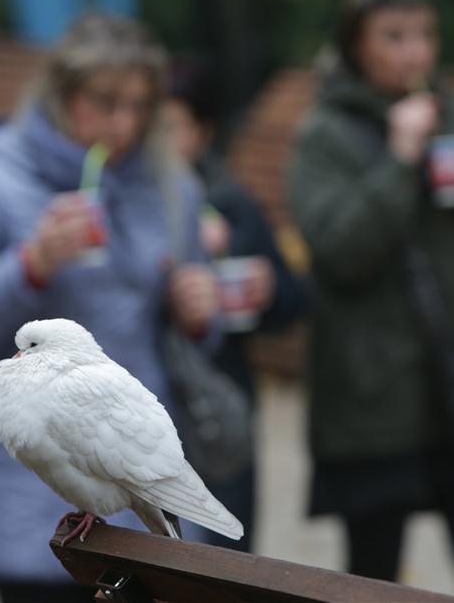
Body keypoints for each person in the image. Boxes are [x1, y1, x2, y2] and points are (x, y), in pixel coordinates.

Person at [0, 15, 219, 603]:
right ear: (60, 93)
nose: (123, 124)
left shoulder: (170, 184)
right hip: (29, 503)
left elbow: (189, 338)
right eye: (105, 102)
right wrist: (30, 264)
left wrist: (200, 313)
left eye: (140, 106)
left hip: (140, 479)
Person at [287, 0, 454, 602]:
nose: (415, 52)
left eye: (425, 34)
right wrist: (400, 159)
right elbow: (341, 253)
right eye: (394, 37)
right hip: (374, 397)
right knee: (370, 582)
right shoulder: (324, 132)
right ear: (356, 45)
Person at [161, 60, 306, 552]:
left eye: (171, 126)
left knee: (224, 555)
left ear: (202, 132)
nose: (157, 139)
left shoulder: (230, 202)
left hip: (217, 406)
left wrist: (269, 290)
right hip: (146, 405)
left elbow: (291, 301)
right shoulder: (119, 202)